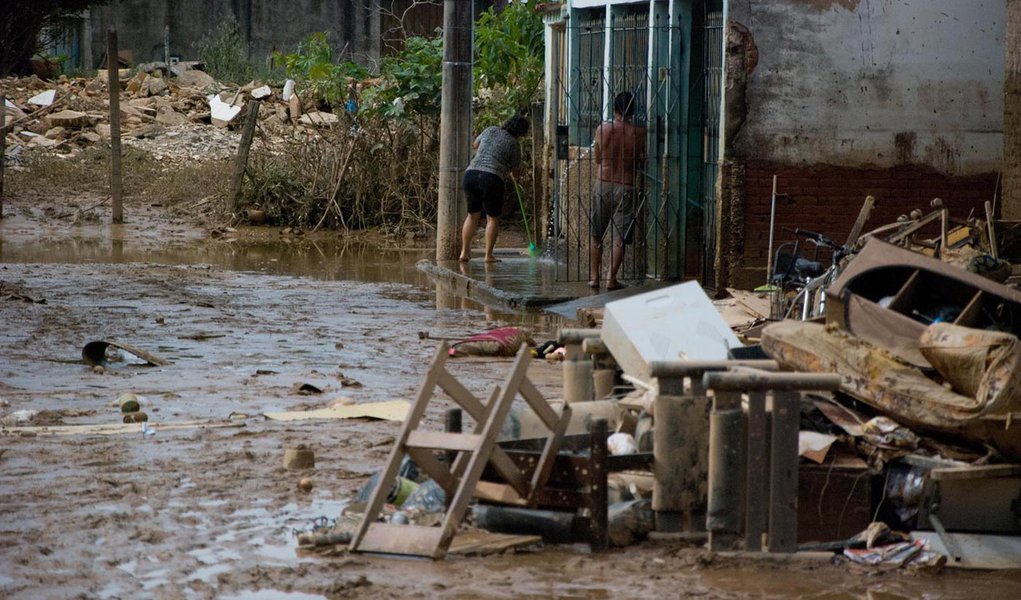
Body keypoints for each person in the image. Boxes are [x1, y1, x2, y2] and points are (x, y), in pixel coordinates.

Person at [590, 92, 646, 290]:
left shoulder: (602, 130)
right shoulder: (639, 133)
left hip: (603, 183)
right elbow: (642, 160)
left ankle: (594, 278)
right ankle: (610, 279)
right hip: (626, 186)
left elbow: (597, 159)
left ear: (614, 109)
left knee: (596, 234)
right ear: (632, 111)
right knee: (619, 238)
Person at [459, 115, 530, 263]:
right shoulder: (514, 144)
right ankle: (488, 256)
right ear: (521, 132)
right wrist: (512, 173)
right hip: (491, 178)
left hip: (471, 174)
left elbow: (475, 145)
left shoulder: (490, 130)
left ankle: (464, 252)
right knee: (492, 218)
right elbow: (515, 171)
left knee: (472, 215)